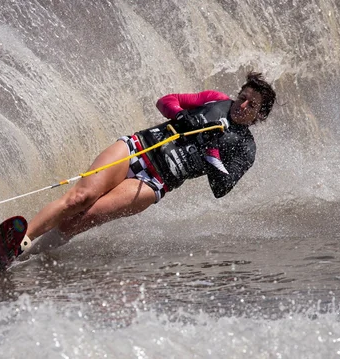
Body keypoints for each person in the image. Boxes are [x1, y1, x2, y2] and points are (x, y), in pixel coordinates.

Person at [18, 71, 276, 256]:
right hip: (137, 149)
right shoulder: (214, 100)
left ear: (260, 115)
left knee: (81, 219)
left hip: (155, 182)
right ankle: (19, 242)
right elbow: (166, 101)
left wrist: (211, 150)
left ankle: (28, 256)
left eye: (251, 104)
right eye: (242, 96)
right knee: (79, 199)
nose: (241, 105)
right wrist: (180, 117)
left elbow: (222, 187)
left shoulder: (246, 148)